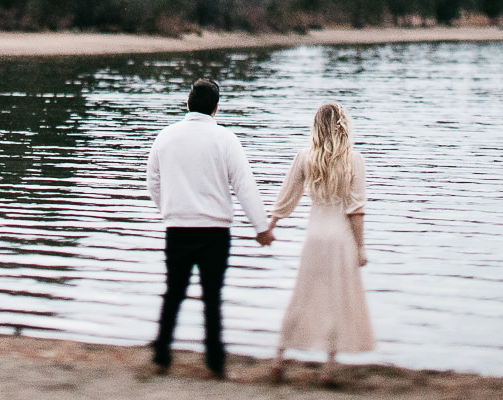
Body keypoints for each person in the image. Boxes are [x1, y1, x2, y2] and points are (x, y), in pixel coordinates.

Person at [145, 77, 274, 379]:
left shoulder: (165, 137)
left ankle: (162, 354)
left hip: (178, 227)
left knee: (174, 292)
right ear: (216, 108)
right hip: (215, 231)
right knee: (212, 296)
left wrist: (168, 210)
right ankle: (215, 361)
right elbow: (244, 186)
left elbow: (153, 182)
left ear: (186, 104)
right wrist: (261, 227)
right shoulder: (226, 139)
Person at [265, 101, 375, 382]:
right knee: (336, 300)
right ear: (343, 126)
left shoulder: (305, 157)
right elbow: (356, 209)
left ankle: (279, 356)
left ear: (316, 126)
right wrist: (361, 247)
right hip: (340, 239)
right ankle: (329, 365)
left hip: (314, 238)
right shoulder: (354, 159)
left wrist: (270, 226)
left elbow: (286, 197)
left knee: (302, 296)